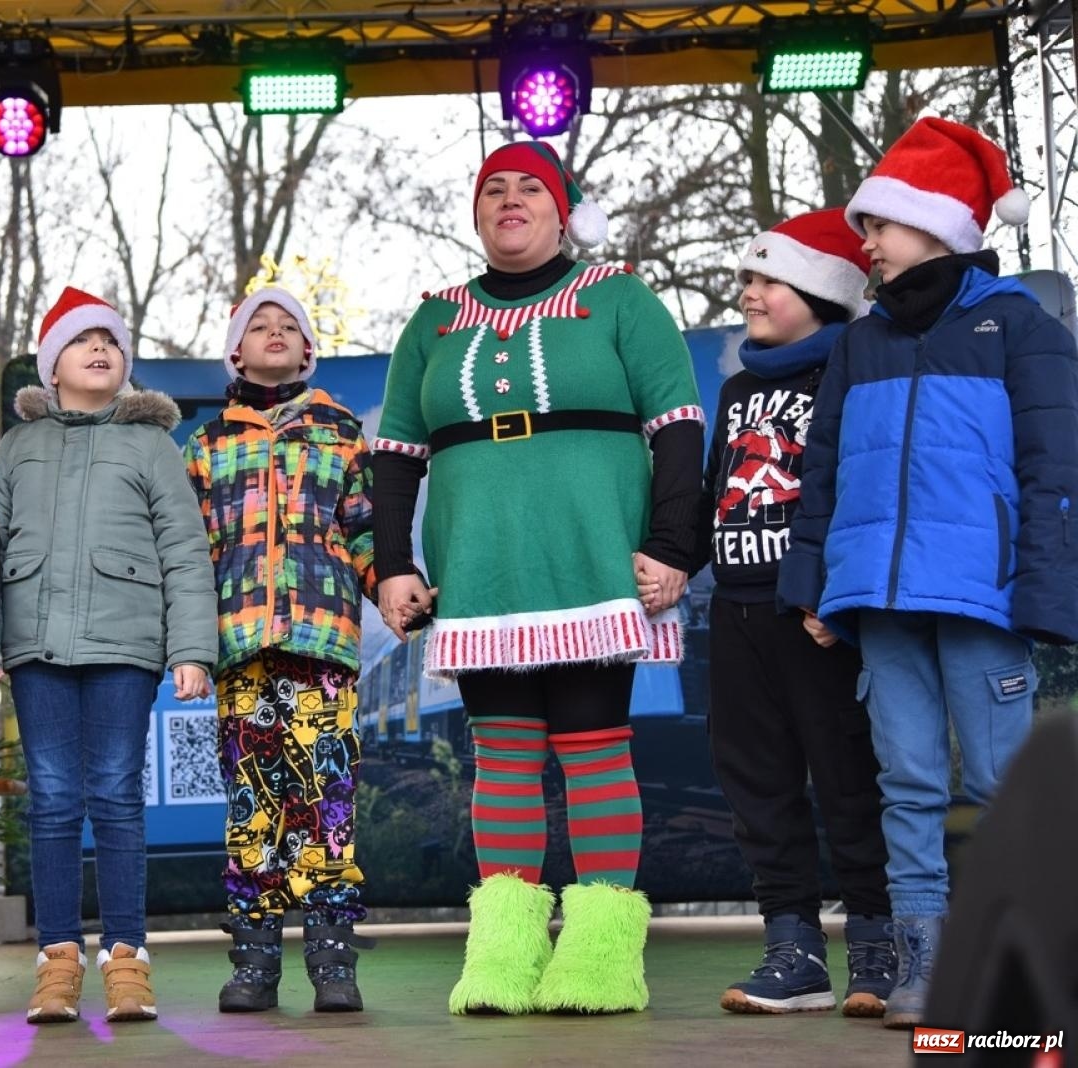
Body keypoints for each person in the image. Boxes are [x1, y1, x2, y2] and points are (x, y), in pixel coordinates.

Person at [372, 139, 704, 1015]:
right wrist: (395, 565)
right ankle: (504, 956)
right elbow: (396, 458)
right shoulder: (433, 320)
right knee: (504, 759)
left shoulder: (620, 298)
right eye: (493, 190)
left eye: (531, 188)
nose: (510, 200)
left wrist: (673, 546)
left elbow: (677, 428)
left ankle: (599, 959)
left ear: (565, 212)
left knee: (595, 751)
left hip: (594, 558)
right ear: (476, 214)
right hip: (480, 568)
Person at [779, 117, 1078, 1029]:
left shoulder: (1019, 325)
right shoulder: (859, 343)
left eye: (879, 223)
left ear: (939, 226)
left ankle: (1024, 965)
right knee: (906, 785)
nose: (863, 241)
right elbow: (821, 471)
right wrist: (816, 584)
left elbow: (1056, 467)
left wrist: (1045, 588)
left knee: (1000, 786)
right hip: (879, 598)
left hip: (981, 595)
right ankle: (924, 968)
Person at [0, 286, 216, 1026]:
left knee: (116, 795)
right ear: (52, 366)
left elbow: (184, 550)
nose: (99, 350)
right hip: (35, 646)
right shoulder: (17, 448)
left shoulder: (150, 444)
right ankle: (57, 957)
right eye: (83, 341)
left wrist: (190, 648)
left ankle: (126, 958)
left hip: (126, 644)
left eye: (111, 342)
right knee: (52, 799)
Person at [695, 209, 896, 1017]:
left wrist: (837, 593)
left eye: (766, 279)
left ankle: (879, 943)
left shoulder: (852, 373)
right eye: (747, 277)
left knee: (848, 780)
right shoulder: (739, 385)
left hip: (818, 619)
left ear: (818, 292)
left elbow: (866, 491)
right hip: (737, 617)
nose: (748, 292)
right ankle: (794, 947)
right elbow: (719, 487)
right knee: (756, 783)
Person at [184, 287, 378, 1014]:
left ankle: (332, 958)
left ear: (307, 351)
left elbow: (363, 531)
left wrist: (391, 587)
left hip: (321, 643)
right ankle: (254, 958)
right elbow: (193, 552)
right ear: (235, 352)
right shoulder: (206, 446)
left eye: (286, 326)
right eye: (257, 326)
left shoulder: (340, 431)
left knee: (325, 804)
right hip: (240, 651)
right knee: (254, 808)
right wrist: (190, 643)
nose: (273, 333)